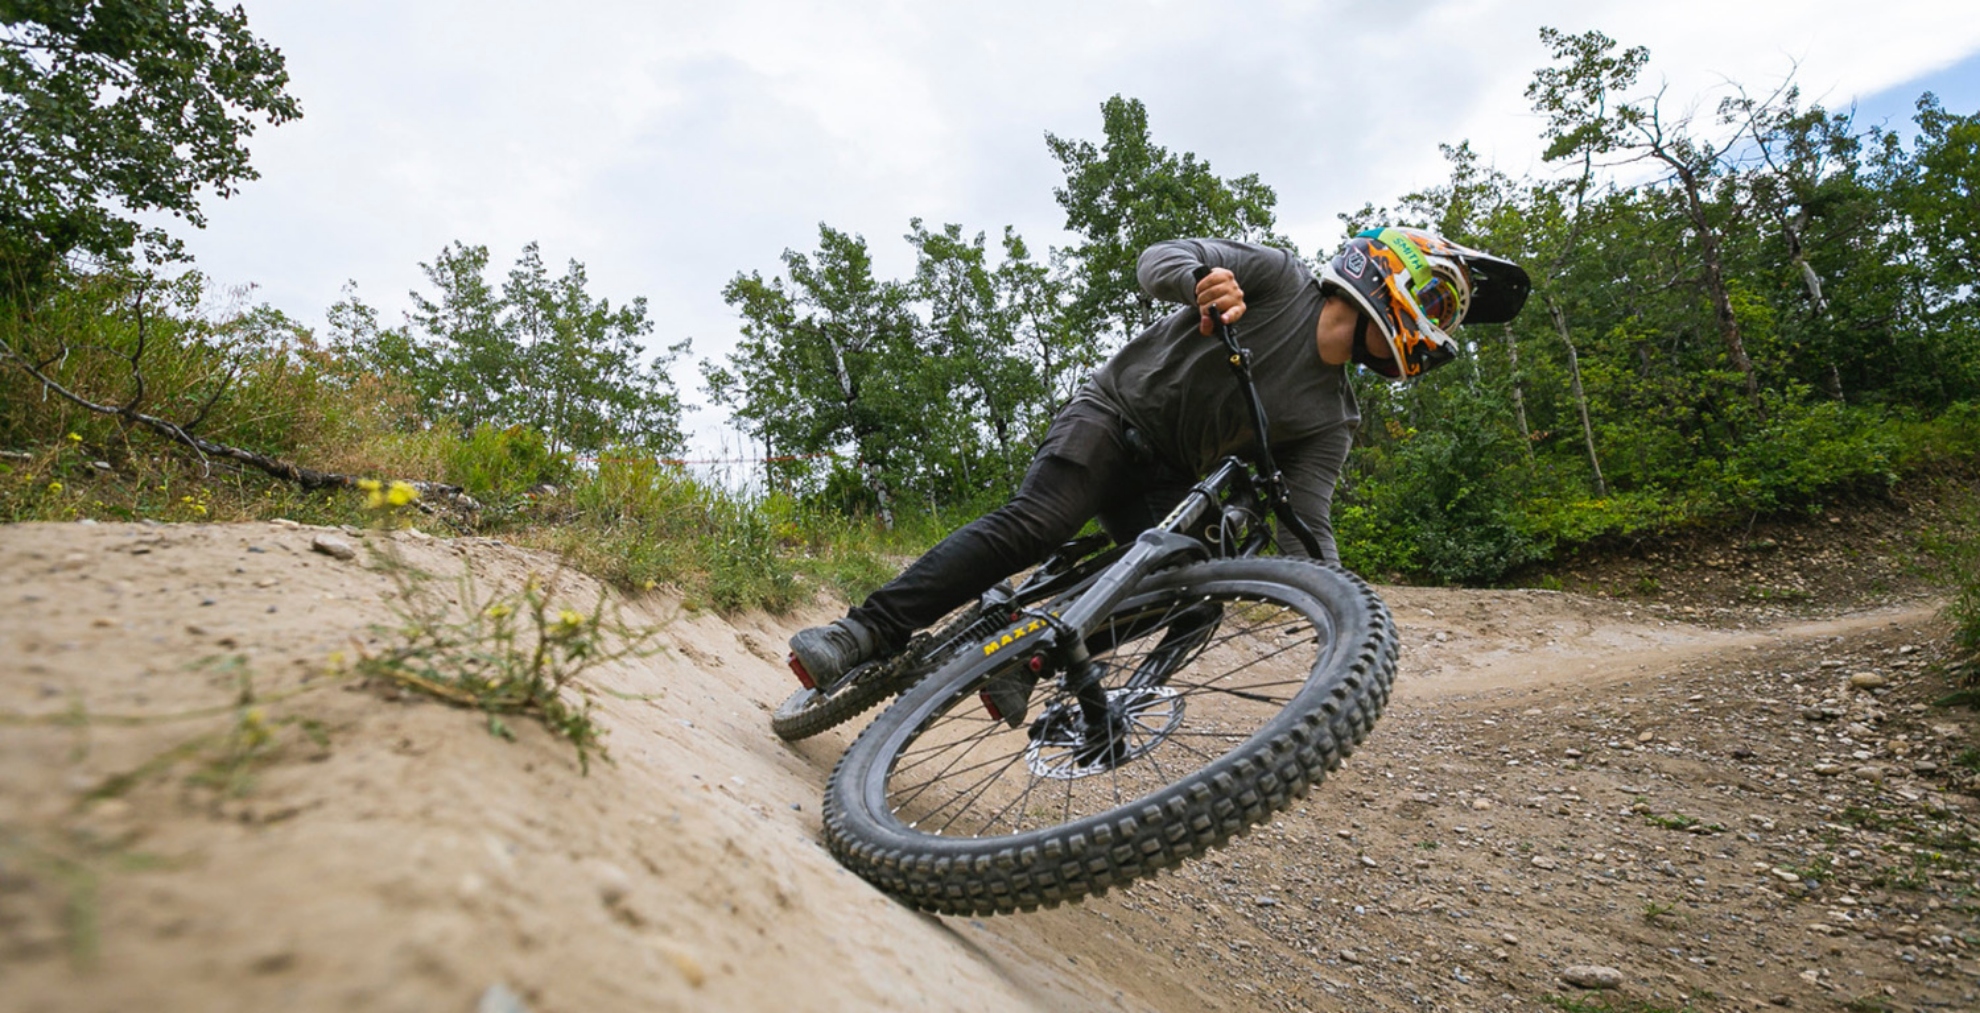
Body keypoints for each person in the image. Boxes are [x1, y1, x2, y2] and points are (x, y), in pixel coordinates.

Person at [788, 227, 1532, 690]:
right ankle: (863, 633)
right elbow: (1160, 257)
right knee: (1037, 523)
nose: (1437, 330)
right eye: (1436, 304)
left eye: (1445, 320)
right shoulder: (1276, 279)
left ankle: (1021, 662)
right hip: (1113, 415)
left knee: (1196, 595)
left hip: (1167, 485)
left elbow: (1308, 524)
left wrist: (1344, 617)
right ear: (1385, 271)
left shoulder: (1334, 417)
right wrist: (1197, 281)